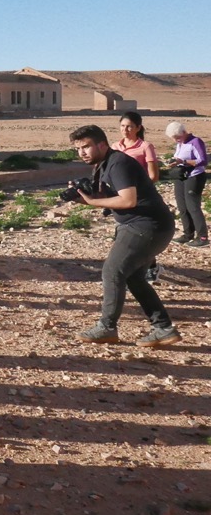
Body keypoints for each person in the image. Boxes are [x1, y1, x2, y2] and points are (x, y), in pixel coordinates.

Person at [67, 125, 180, 347]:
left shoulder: (118, 163)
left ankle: (107, 327)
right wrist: (85, 195)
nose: (82, 152)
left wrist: (91, 202)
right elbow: (113, 196)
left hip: (146, 226)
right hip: (152, 226)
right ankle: (164, 328)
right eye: (78, 148)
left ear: (102, 144)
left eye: (86, 146)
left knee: (112, 271)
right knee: (134, 277)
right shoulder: (105, 164)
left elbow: (128, 200)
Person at [115, 111, 161, 282]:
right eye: (122, 126)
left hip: (141, 198)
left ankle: (151, 267)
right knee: (123, 233)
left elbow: (153, 176)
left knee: (142, 236)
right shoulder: (115, 147)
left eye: (129, 126)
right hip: (120, 198)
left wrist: (137, 189)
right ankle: (128, 270)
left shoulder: (145, 146)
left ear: (138, 128)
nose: (125, 130)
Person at [164, 121, 207, 248]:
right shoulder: (180, 143)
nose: (176, 140)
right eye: (174, 138)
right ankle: (188, 234)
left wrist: (184, 161)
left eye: (177, 137)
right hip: (181, 176)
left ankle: (202, 237)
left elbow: (203, 160)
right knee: (182, 207)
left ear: (183, 132)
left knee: (193, 207)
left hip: (194, 177)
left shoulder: (195, 141)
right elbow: (179, 158)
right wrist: (175, 162)